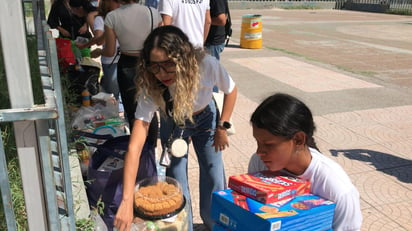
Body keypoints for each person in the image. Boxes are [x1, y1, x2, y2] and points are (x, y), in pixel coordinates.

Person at [114, 26, 237, 231]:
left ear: (185, 59)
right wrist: (127, 201)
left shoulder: (207, 65)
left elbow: (231, 90)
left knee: (214, 174)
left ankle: (214, 223)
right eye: (155, 66)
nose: (162, 74)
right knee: (176, 180)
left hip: (206, 119)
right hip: (173, 122)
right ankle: (184, 227)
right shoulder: (152, 85)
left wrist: (222, 127)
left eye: (169, 64)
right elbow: (134, 146)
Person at [248, 93, 362, 231]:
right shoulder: (259, 163)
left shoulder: (336, 188)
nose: (260, 151)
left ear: (298, 140)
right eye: (258, 142)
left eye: (269, 144)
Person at [102, 0, 162, 139]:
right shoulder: (153, 13)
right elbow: (161, 42)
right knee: (150, 107)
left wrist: (100, 52)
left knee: (132, 109)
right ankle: (150, 147)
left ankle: (137, 147)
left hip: (127, 64)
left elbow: (110, 51)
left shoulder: (112, 16)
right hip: (149, 62)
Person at [77, 0, 121, 100]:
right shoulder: (101, 19)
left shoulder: (123, 17)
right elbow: (99, 40)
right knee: (113, 95)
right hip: (111, 61)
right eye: (116, 1)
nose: (120, 4)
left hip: (125, 59)